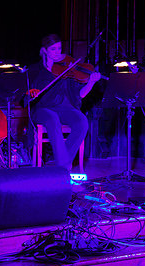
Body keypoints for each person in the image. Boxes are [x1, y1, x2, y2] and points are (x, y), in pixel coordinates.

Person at [27, 34, 100, 170]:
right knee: (53, 119)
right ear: (45, 50)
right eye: (53, 49)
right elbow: (28, 92)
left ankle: (61, 164)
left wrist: (91, 82)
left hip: (67, 109)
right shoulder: (36, 69)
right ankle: (65, 168)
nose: (58, 52)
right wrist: (32, 91)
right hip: (44, 109)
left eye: (59, 48)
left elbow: (81, 94)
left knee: (82, 122)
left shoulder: (69, 68)